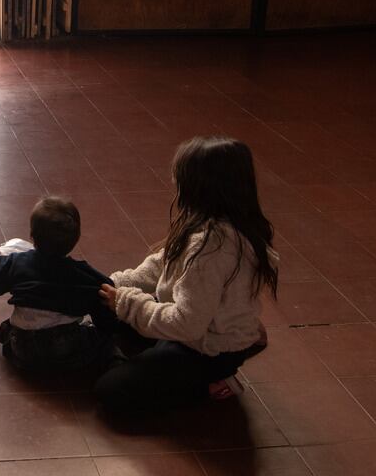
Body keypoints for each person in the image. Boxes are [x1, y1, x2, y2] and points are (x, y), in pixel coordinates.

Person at [95, 136, 277, 415]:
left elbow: (185, 324)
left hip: (208, 349)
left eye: (180, 180)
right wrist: (114, 283)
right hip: (196, 328)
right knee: (105, 316)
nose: (175, 186)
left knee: (111, 391)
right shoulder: (210, 223)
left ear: (200, 188)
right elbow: (161, 265)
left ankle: (212, 382)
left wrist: (127, 303)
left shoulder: (212, 248)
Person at [0, 196, 117, 373]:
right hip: (68, 347)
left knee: (9, 332)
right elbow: (105, 312)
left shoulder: (18, 263)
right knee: (103, 340)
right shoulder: (87, 277)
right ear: (76, 238)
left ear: (32, 235)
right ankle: (114, 361)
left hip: (22, 347)